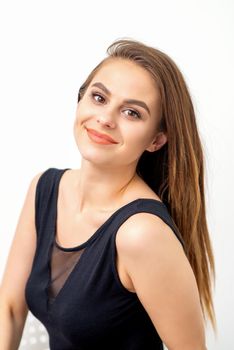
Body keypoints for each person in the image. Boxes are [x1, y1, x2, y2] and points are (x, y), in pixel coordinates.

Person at [0, 38, 216, 350]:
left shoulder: (140, 233)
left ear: (156, 139)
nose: (105, 118)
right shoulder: (44, 189)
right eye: (99, 98)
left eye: (131, 112)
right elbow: (9, 308)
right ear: (80, 100)